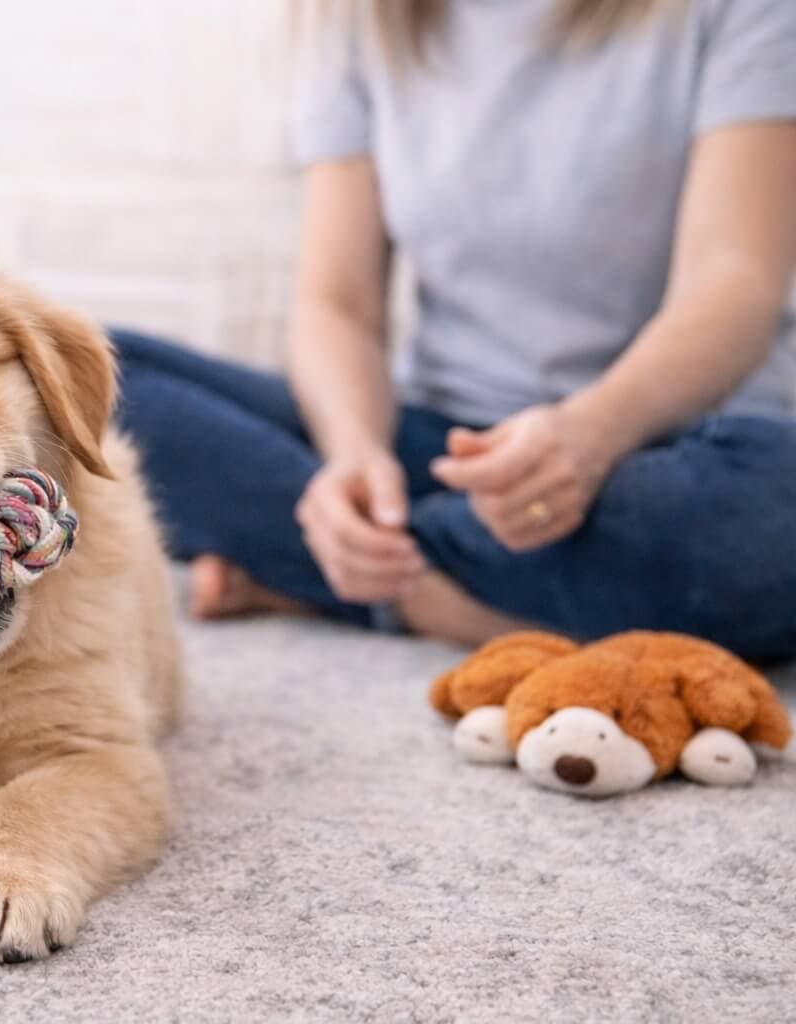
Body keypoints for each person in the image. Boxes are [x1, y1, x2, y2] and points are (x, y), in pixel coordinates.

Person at [114, 0, 796, 661]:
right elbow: (338, 305)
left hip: (663, 447)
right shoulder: (360, 16)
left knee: (772, 517)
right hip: (443, 448)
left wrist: (587, 437)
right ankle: (438, 582)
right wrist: (353, 457)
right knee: (93, 386)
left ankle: (361, 583)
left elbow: (734, 282)